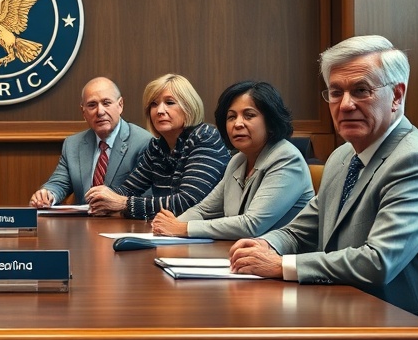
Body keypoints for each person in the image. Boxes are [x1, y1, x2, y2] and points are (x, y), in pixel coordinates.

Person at [228, 36, 418, 340]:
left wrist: (280, 265)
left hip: (404, 330)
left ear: (398, 95)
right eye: (335, 92)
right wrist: (267, 245)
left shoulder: (414, 162)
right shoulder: (343, 155)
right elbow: (304, 228)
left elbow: (379, 262)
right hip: (346, 310)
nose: (344, 104)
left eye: (361, 90)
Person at [152, 81, 314, 239]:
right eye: (231, 117)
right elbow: (203, 210)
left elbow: (251, 225)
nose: (237, 124)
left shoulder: (287, 159)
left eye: (249, 115)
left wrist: (183, 228)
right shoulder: (238, 161)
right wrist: (170, 225)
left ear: (270, 121)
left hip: (282, 260)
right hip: (242, 254)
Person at [85, 73, 230, 219]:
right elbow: (127, 190)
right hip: (170, 233)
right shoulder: (156, 147)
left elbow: (187, 202)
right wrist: (103, 196)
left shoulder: (205, 136)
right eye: (154, 104)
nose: (160, 111)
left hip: (209, 235)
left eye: (170, 102)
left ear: (188, 107)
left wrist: (124, 204)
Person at [30, 77, 152, 207]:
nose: (100, 112)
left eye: (106, 103)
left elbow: (146, 197)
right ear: (83, 112)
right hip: (82, 224)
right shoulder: (73, 144)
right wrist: (48, 194)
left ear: (120, 105)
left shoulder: (143, 142)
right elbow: (59, 183)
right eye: (92, 105)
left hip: (123, 223)